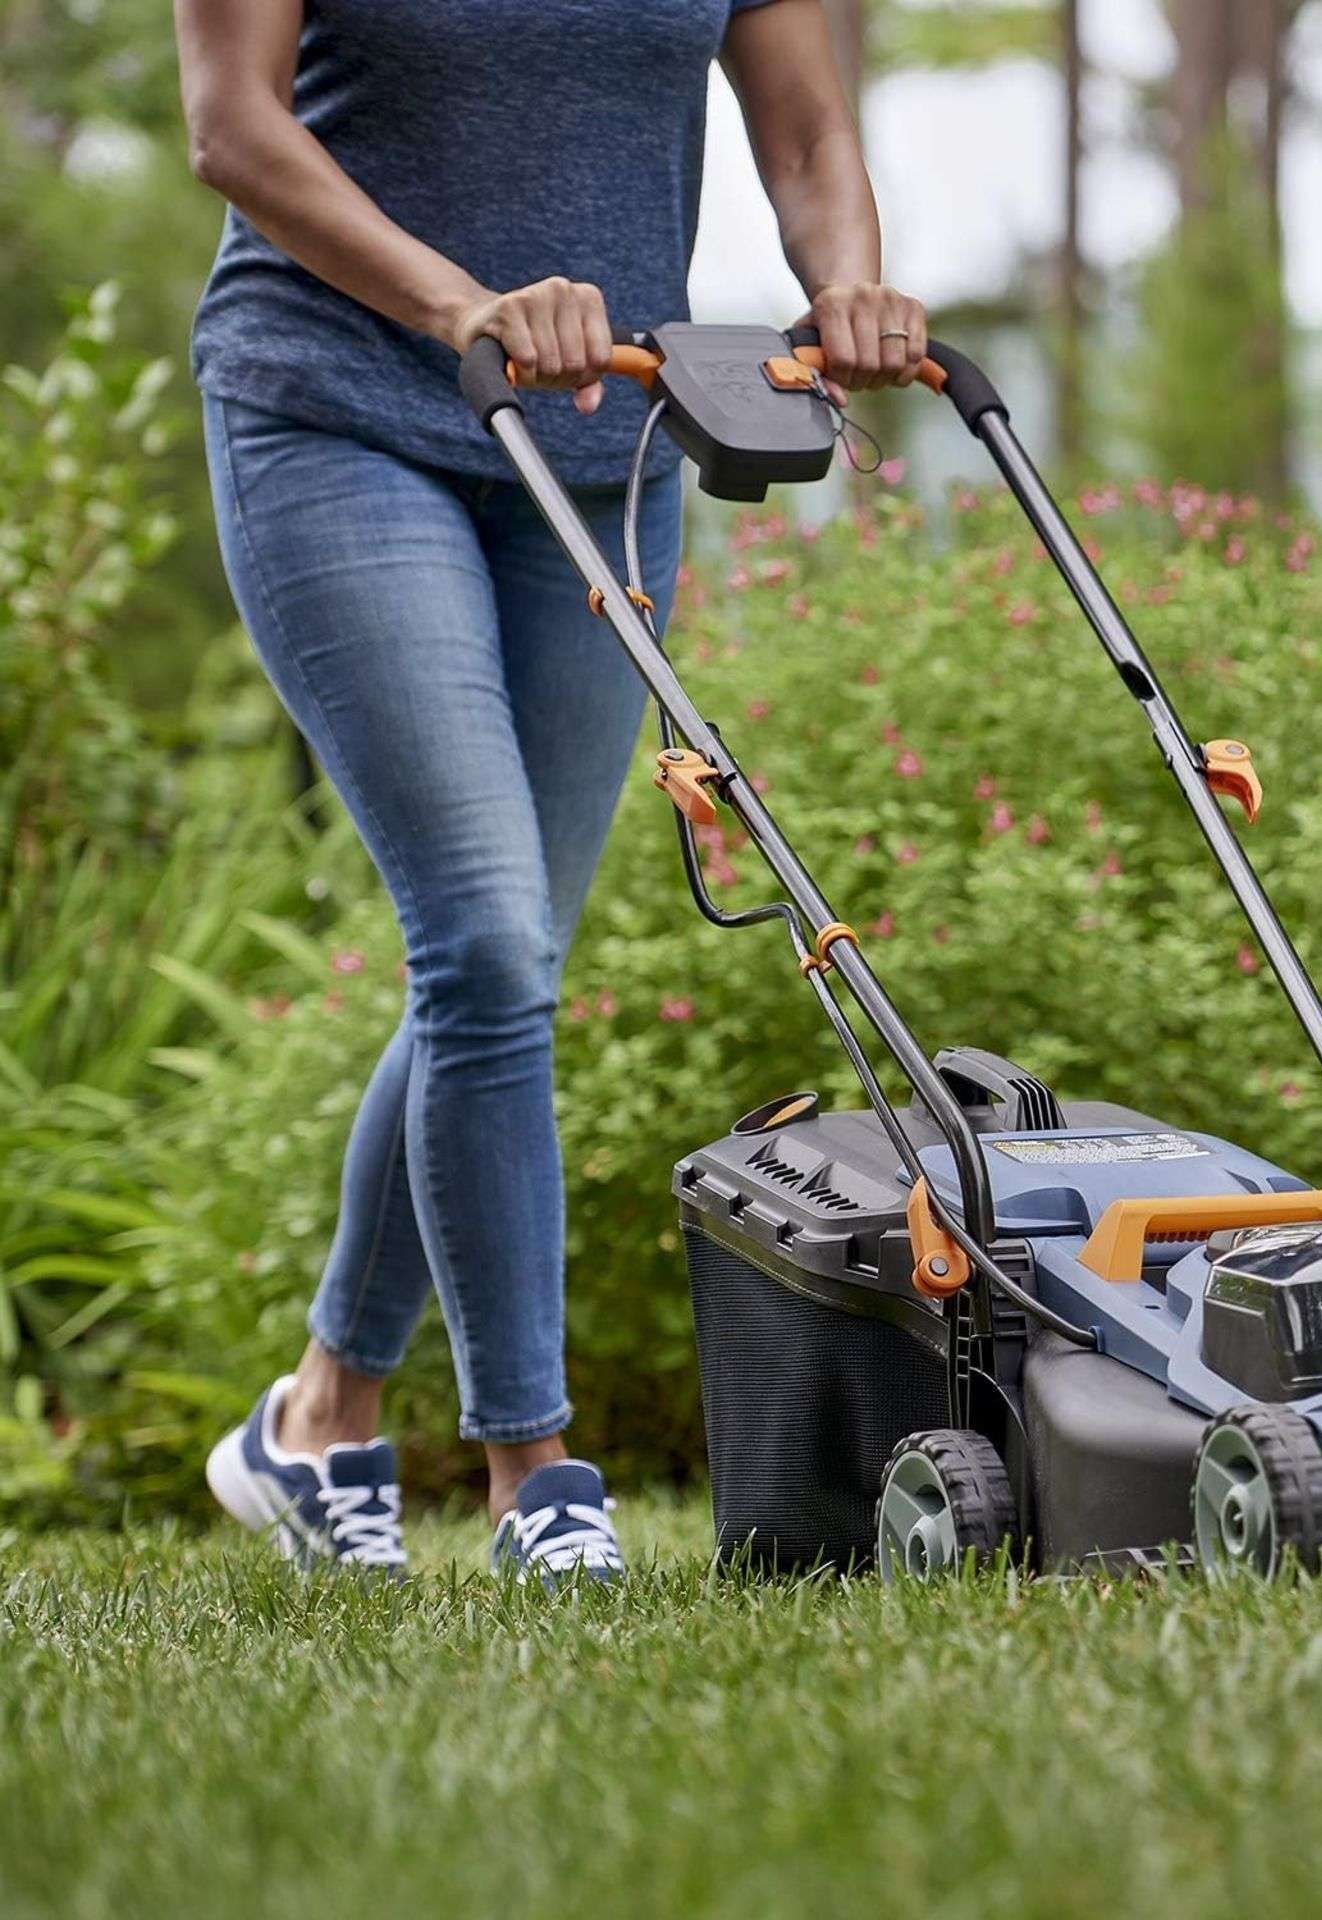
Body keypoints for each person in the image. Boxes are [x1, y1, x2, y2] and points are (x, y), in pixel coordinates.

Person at [176, 0, 925, 1582]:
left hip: (602, 447)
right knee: (487, 944)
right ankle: (537, 1474)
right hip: (339, 415)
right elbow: (233, 128)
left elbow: (801, 125)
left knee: (498, 970)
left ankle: (318, 1416)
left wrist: (844, 277)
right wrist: (465, 302)